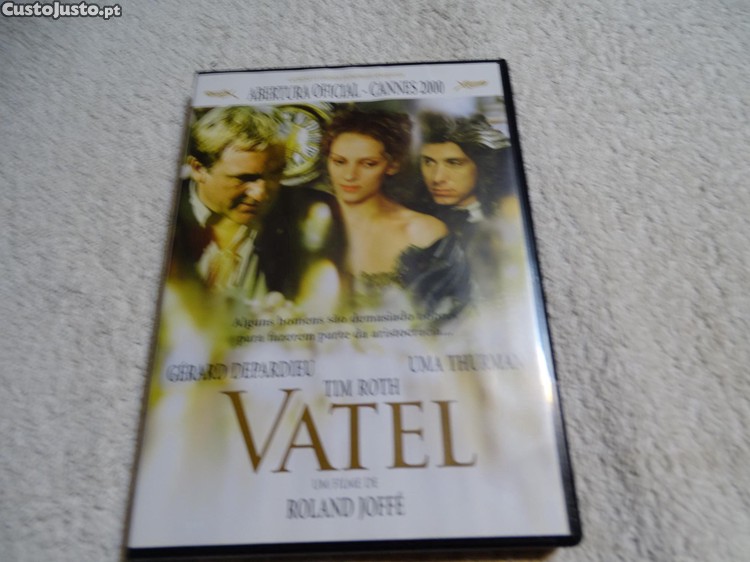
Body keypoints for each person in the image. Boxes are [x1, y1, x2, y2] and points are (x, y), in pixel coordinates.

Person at [171, 105, 340, 305]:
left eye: (275, 174)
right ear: (198, 169)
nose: (261, 194)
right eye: (244, 178)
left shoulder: (314, 212)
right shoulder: (164, 211)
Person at [322, 107, 470, 318]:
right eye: (339, 162)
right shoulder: (301, 223)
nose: (349, 175)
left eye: (368, 164)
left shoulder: (422, 232)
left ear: (392, 165)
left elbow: (450, 319)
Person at [418, 112, 512, 300]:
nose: (437, 178)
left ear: (482, 167)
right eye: (428, 162)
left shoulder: (507, 221)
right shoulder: (417, 221)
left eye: (454, 163)